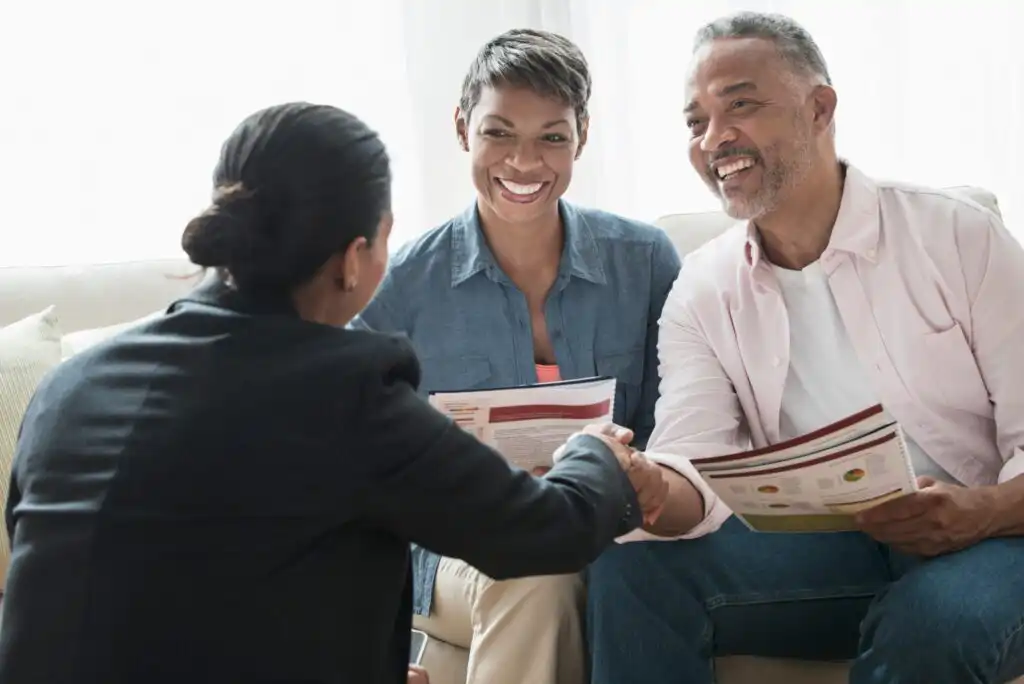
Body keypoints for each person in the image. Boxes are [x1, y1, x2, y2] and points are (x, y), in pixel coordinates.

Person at [0, 102, 665, 684]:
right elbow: (547, 532)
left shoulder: (68, 387)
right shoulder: (346, 390)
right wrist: (597, 454)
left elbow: (147, 587)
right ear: (354, 257)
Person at [585, 11, 1024, 684]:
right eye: (695, 121)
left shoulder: (959, 237)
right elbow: (693, 473)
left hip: (995, 539)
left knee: (935, 619)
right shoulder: (701, 288)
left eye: (741, 104)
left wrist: (981, 514)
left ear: (820, 108)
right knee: (628, 568)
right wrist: (646, 483)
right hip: (830, 550)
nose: (714, 138)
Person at [350, 28, 680, 684]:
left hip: (614, 527)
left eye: (551, 137)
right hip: (454, 552)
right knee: (536, 563)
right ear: (462, 127)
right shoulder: (401, 285)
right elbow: (349, 451)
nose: (524, 163)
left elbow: (685, 420)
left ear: (581, 137)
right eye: (499, 133)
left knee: (588, 565)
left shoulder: (644, 262)